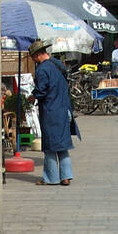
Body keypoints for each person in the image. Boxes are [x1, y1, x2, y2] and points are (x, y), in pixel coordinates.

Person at [29, 39, 76, 186]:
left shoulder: (42, 70)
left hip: (51, 111)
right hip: (64, 108)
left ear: (37, 56)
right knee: (62, 145)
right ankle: (66, 176)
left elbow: (42, 90)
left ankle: (52, 177)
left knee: (49, 146)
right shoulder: (58, 64)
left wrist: (33, 96)